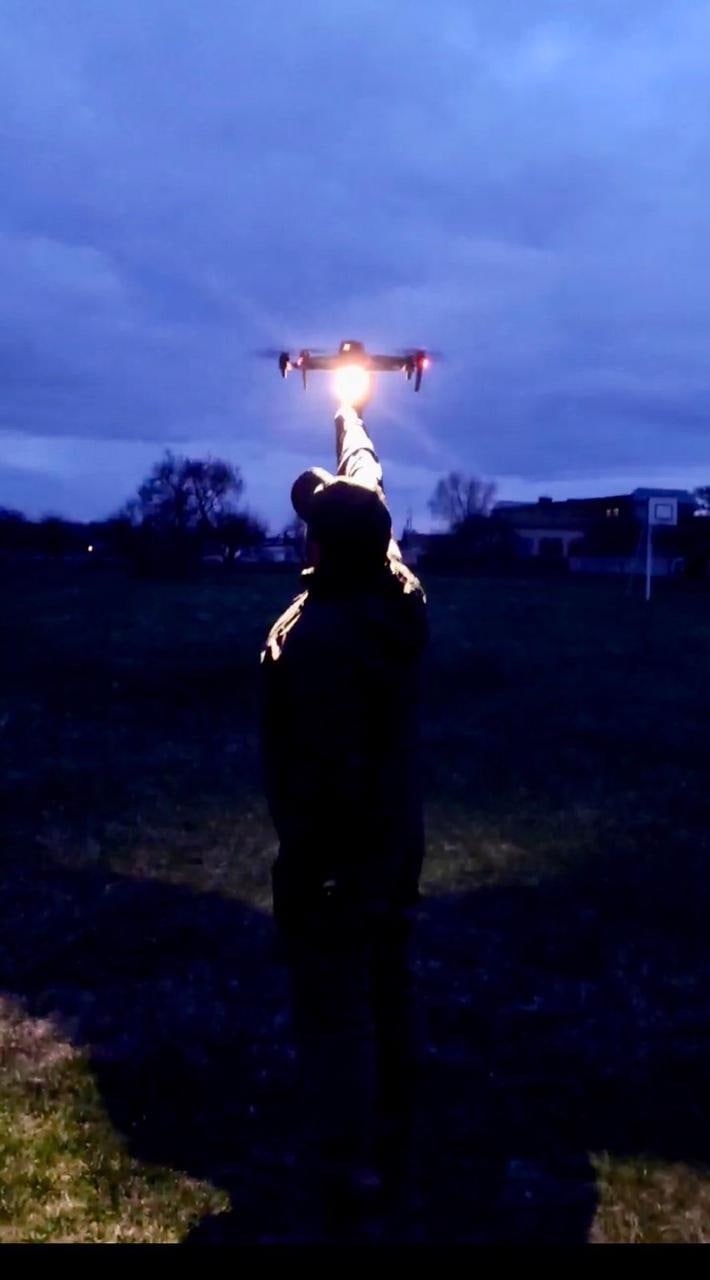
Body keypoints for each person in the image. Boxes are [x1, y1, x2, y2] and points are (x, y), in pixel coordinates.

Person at [260, 397, 427, 1239]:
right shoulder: (396, 589)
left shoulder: (320, 641)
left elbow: (324, 772)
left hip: (338, 849)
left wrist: (313, 869)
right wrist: (349, 415)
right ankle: (395, 1124)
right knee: (385, 977)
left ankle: (349, 1163)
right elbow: (368, 482)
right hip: (394, 835)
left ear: (321, 548)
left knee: (336, 1008)